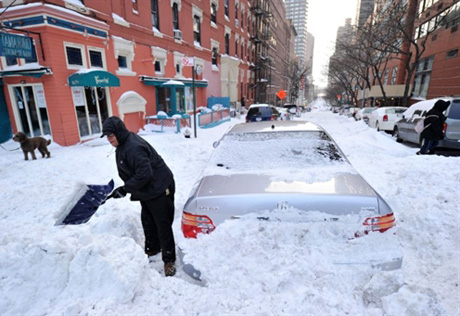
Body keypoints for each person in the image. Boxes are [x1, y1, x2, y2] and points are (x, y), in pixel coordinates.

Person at [101, 116, 176, 276]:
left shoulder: (133, 147)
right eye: (107, 136)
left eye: (111, 136)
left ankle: (169, 261)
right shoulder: (122, 144)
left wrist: (125, 189)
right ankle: (152, 249)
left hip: (160, 187)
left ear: (119, 132)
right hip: (146, 189)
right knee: (148, 220)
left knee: (162, 224)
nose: (109, 140)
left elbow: (145, 174)